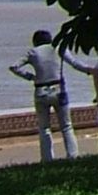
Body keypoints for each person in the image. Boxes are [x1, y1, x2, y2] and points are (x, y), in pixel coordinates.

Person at [9, 29, 78, 161]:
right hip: (59, 90)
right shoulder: (57, 48)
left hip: (40, 91)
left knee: (44, 128)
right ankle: (73, 156)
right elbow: (75, 63)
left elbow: (14, 67)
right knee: (66, 126)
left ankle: (47, 159)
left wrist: (30, 77)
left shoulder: (33, 52)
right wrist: (89, 70)